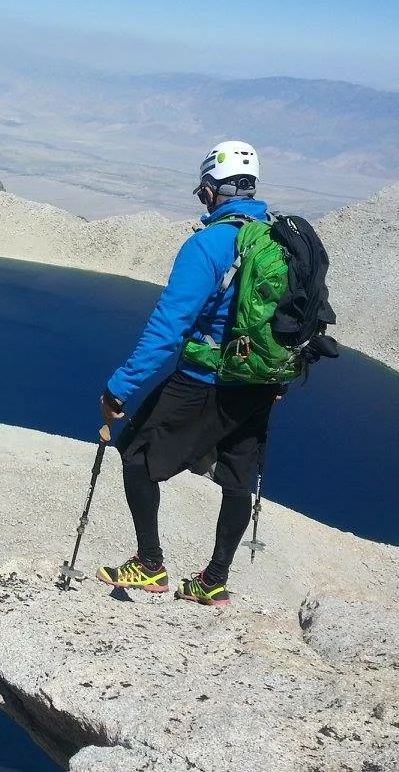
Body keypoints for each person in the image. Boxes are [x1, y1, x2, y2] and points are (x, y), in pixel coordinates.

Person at [96, 140, 283, 606]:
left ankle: (150, 565)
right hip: (260, 383)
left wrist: (120, 387)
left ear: (213, 189)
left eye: (203, 191)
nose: (202, 199)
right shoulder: (279, 239)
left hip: (206, 380)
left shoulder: (209, 245)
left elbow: (168, 326)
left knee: (136, 452)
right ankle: (214, 580)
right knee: (238, 479)